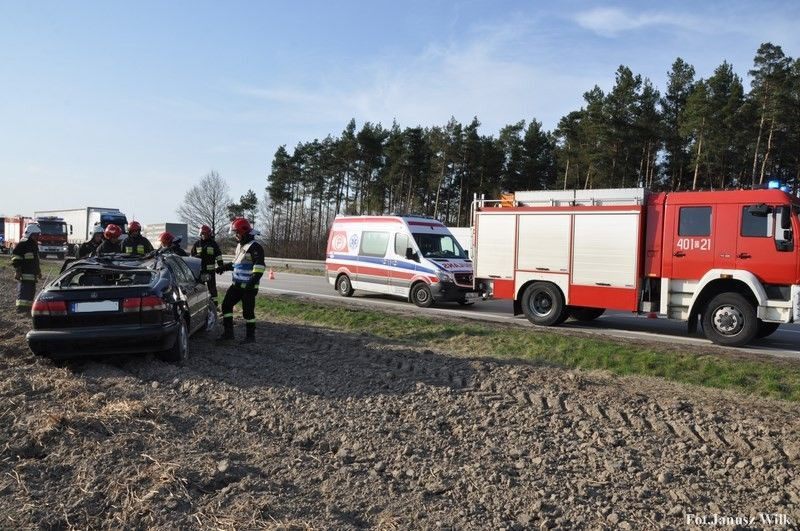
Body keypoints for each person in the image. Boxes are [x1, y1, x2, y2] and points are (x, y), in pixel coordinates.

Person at [216, 218, 265, 343]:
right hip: (236, 285)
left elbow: (259, 267)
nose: (235, 235)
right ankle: (228, 333)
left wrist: (251, 282)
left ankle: (250, 337)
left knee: (248, 312)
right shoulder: (240, 245)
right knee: (226, 306)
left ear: (243, 232)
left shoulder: (255, 247)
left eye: (236, 233)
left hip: (249, 287)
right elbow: (236, 263)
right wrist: (224, 267)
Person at [11, 223, 42, 313]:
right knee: (24, 294)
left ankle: (28, 310)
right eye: (36, 235)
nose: (38, 237)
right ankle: (20, 310)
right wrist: (17, 270)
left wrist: (38, 271)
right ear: (31, 234)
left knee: (30, 293)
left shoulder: (33, 245)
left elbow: (35, 260)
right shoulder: (23, 244)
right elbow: (15, 257)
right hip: (24, 274)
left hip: (32, 275)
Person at [191, 225, 223, 305]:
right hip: (200, 271)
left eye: (205, 234)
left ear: (209, 234)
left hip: (210, 272)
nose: (203, 235)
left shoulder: (213, 244)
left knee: (212, 288)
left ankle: (215, 305)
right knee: (199, 288)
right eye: (202, 234)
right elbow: (192, 256)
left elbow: (218, 255)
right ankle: (201, 304)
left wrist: (221, 265)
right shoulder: (197, 244)